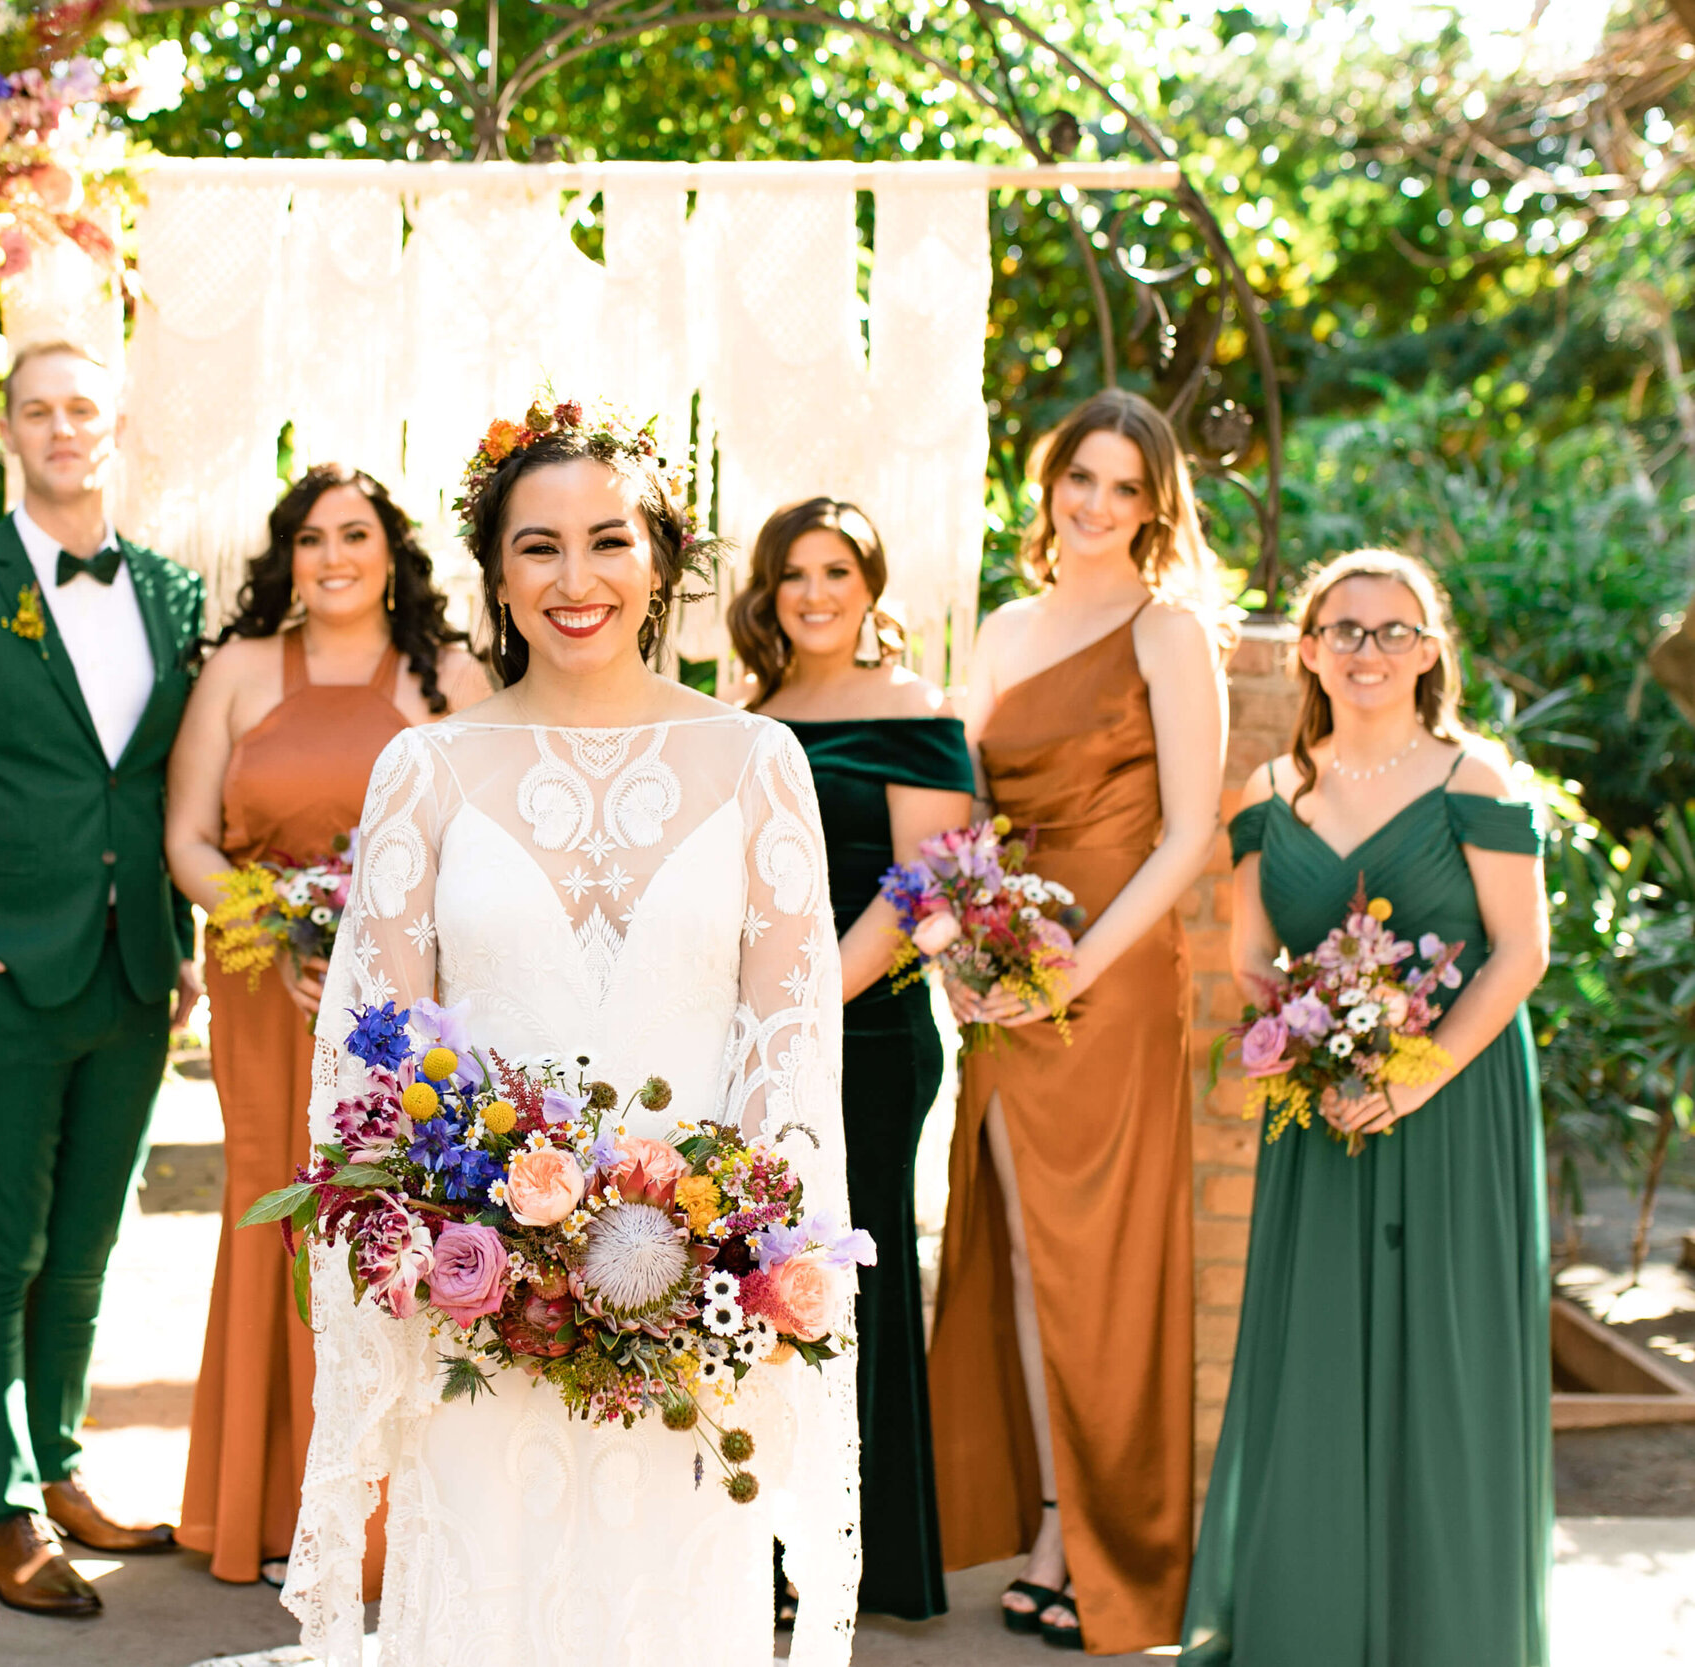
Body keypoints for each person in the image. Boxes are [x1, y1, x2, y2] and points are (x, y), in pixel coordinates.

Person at [280, 399, 862, 1665]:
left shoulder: (759, 760)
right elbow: (371, 1061)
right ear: (494, 570)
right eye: (538, 547)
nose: (575, 577)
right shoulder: (423, 769)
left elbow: (788, 1044)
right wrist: (474, 1244)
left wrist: (738, 1262)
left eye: (608, 539)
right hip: (483, 1317)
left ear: (660, 554)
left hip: (689, 1312)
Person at [0, 339, 207, 1619]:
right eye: (38, 410)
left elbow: (165, 781)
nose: (63, 428)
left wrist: (173, 945)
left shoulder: (172, 590)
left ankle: (59, 1469)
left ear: (120, 425)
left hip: (131, 967)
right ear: (8, 429)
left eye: (85, 408)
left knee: (86, 1247)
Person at [1181, 550, 1550, 1666]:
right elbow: (1251, 955)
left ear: (1430, 650)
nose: (1367, 650)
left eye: (1394, 630)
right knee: (1317, 1362)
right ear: (1305, 649)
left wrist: (1411, 1070)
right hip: (1326, 1115)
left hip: (1452, 1104)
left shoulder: (1473, 779)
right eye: (1344, 628)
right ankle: (1312, 1623)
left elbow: (1520, 952)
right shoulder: (1269, 794)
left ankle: (1449, 1633)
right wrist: (1303, 1038)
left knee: (1446, 1362)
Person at [926, 388, 1226, 1653]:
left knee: (1103, 1269)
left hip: (1107, 988)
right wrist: (956, 952)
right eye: (1078, 478)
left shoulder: (1169, 633)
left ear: (1153, 503)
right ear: (1048, 485)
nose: (1094, 503)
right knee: (1023, 1263)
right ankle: (1049, 1512)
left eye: (1121, 484)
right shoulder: (1000, 628)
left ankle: (1102, 1546)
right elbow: (959, 814)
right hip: (1006, 985)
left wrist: (1076, 970)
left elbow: (1188, 832)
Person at [164, 463, 488, 1589]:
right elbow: (189, 839)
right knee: (275, 1209)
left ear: (393, 549)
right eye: (311, 538)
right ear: (286, 558)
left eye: (356, 533)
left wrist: (376, 958)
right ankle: (256, 1504)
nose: (334, 555)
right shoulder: (240, 671)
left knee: (402, 1213)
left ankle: (399, 1517)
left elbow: (490, 847)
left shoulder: (452, 675)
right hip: (266, 980)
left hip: (413, 1000)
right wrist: (286, 927)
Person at [732, 497, 974, 1624]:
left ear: (872, 586)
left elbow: (923, 884)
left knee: (856, 1272)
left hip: (866, 1033)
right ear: (768, 593)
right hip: (757, 1036)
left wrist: (805, 1001)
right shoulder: (757, 711)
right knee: (766, 1276)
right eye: (794, 574)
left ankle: (858, 1556)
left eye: (837, 570)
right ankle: (769, 1545)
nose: (815, 591)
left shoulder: (915, 710)